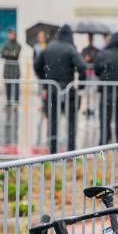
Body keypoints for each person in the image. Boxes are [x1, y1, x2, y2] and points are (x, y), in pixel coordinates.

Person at [34, 25, 86, 153]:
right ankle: (71, 150)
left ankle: (53, 151)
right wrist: (81, 85)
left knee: (52, 120)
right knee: (71, 121)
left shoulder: (48, 47)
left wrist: (45, 81)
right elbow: (82, 66)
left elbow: (36, 65)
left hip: (52, 89)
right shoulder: (70, 48)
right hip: (68, 89)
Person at [1, 29, 22, 104]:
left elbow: (15, 55)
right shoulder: (5, 44)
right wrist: (11, 53)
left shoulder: (18, 45)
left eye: (12, 34)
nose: (10, 36)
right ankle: (8, 101)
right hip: (7, 68)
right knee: (8, 85)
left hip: (15, 68)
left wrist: (8, 53)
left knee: (16, 85)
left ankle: (16, 100)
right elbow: (2, 54)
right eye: (9, 34)